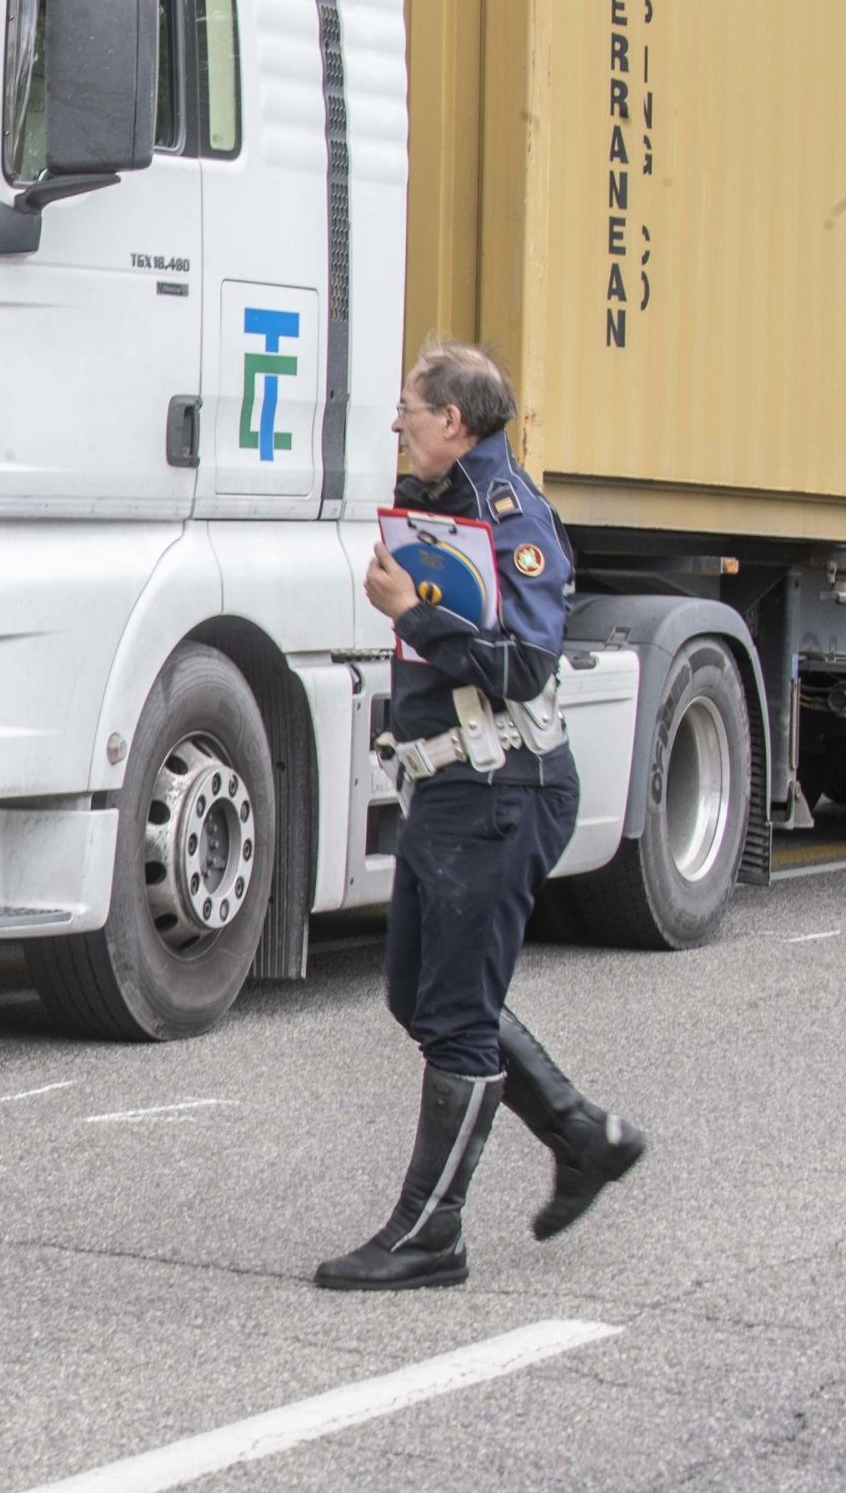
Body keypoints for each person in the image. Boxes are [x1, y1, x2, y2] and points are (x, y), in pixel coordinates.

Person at [318, 340, 647, 1290]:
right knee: (416, 993)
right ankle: (582, 1136)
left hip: (503, 791)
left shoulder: (512, 516)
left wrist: (412, 610)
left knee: (456, 1016)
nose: (397, 423)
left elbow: (530, 664)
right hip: (450, 787)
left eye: (410, 409)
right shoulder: (443, 501)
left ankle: (431, 1235)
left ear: (454, 421)